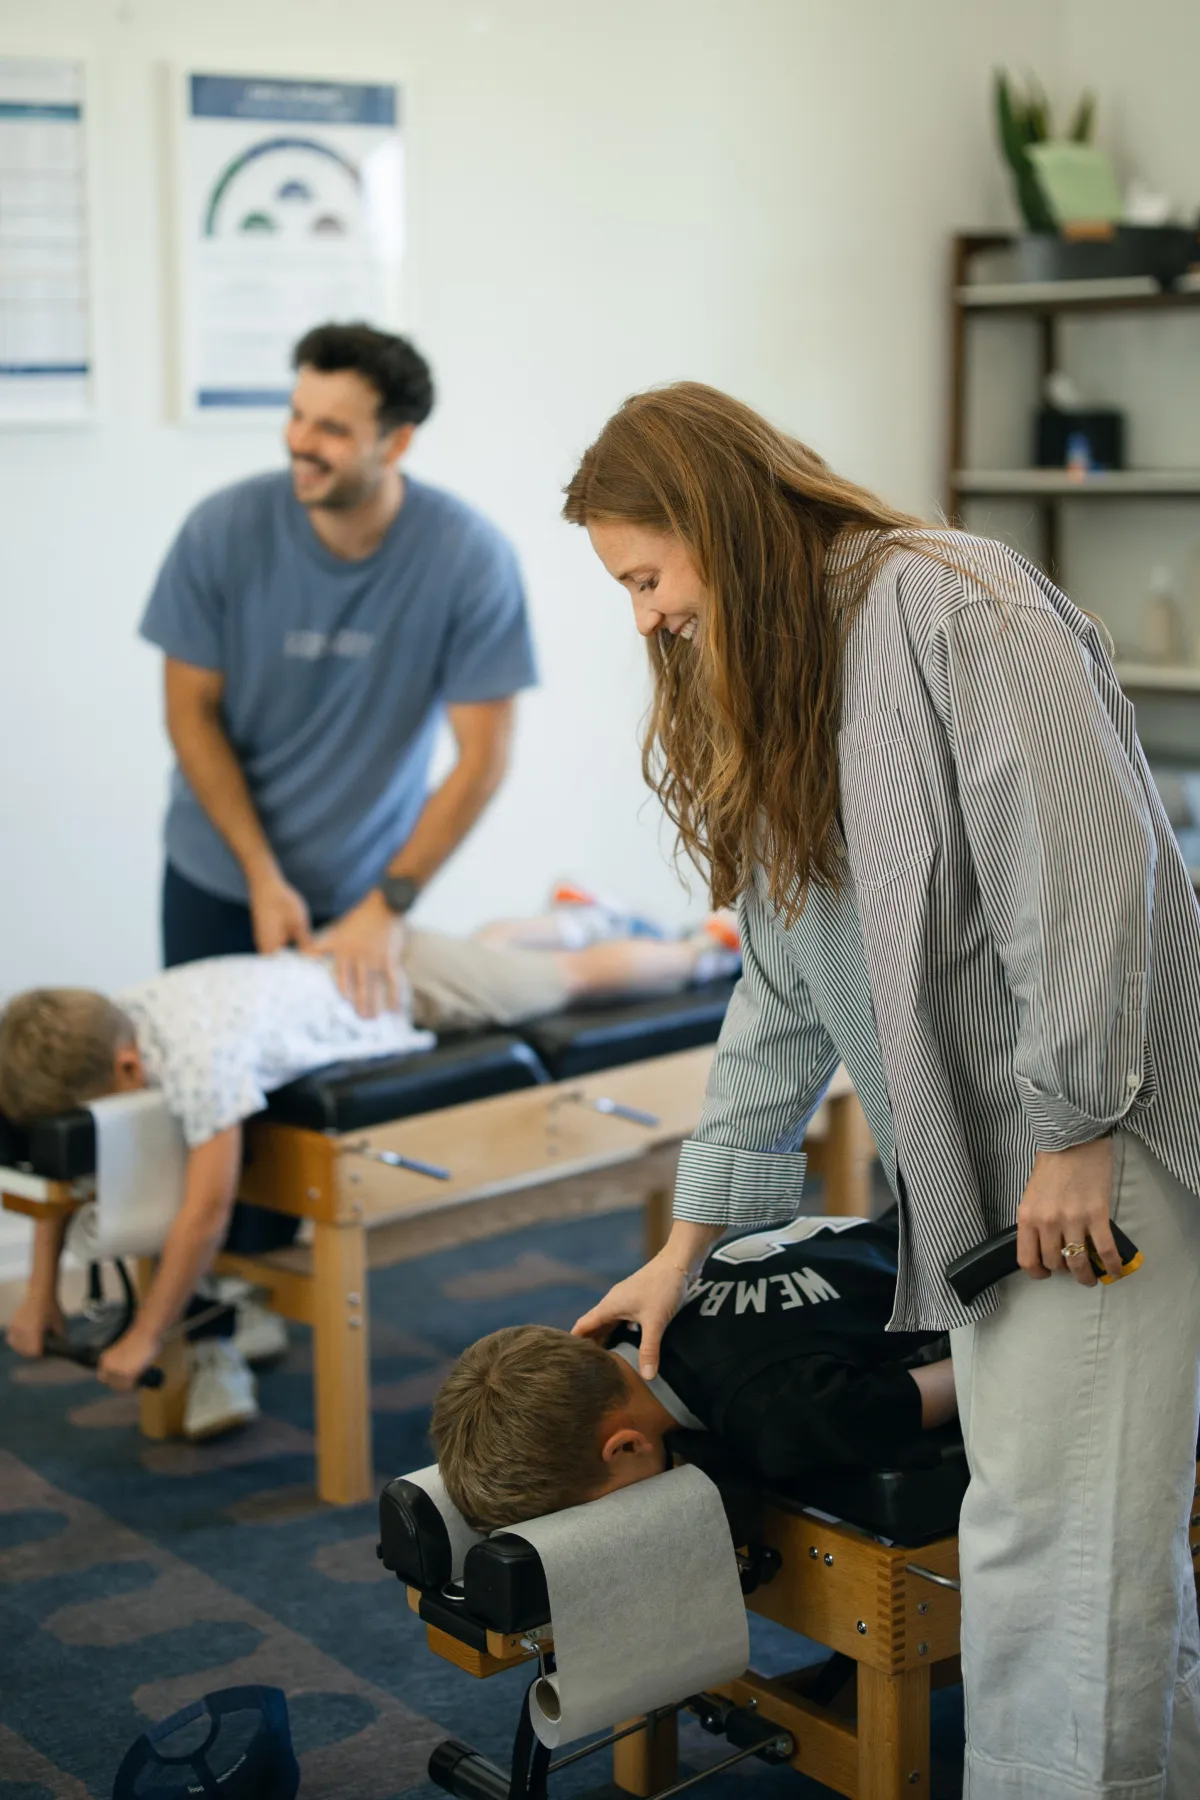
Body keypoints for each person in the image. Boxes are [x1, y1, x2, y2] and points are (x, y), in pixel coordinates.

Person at [561, 383, 1200, 1798]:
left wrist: (1081, 1126)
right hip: (1003, 1157)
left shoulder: (950, 607)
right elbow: (784, 989)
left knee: (1065, 1541)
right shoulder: (797, 674)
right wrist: (690, 1243)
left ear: (717, 521)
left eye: (648, 576)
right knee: (1062, 1523)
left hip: (1102, 1135)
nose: (646, 616)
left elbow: (1088, 874)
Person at [0, 894, 740, 1436]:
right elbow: (60, 1165)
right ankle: (562, 913)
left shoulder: (199, 1059)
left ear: (129, 1066)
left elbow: (205, 1214)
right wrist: (41, 1296)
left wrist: (145, 1336)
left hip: (401, 984)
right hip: (341, 969)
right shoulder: (114, 1018)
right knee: (493, 964)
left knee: (560, 983)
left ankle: (705, 947)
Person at [141, 320, 536, 1260]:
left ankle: (311, 1297)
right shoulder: (223, 530)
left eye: (331, 428)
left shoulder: (465, 557)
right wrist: (259, 875)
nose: (299, 443)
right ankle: (218, 1330)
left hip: (363, 890)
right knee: (210, 1114)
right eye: (296, 414)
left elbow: (481, 758)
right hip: (217, 870)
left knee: (327, 1127)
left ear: (396, 442)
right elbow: (189, 714)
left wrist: (385, 905)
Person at [431, 1211, 958, 1532]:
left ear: (625, 1446)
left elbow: (959, 1381)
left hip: (990, 1279)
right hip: (921, 1224)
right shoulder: (640, 1310)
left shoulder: (778, 1419)